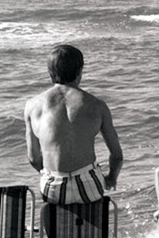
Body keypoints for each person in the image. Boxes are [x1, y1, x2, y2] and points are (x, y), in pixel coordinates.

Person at [24, 44, 123, 204]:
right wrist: (111, 178)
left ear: (50, 72)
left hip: (54, 185)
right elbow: (117, 156)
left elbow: (34, 158)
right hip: (88, 182)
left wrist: (51, 174)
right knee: (95, 219)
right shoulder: (97, 105)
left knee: (55, 220)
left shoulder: (32, 105)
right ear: (79, 71)